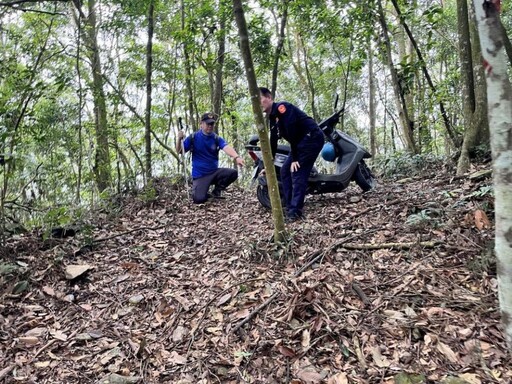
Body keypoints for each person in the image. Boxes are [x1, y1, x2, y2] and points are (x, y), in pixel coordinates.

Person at [259, 87, 324, 221]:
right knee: (284, 171)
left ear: (269, 98)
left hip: (311, 138)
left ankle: (295, 211)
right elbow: (273, 141)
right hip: (300, 143)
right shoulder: (272, 118)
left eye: (259, 99)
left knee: (297, 171)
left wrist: (295, 158)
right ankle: (289, 207)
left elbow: (292, 132)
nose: (258, 103)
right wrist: (268, 165)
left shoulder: (283, 108)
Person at [177, 112, 244, 203]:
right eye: (208, 123)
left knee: (233, 173)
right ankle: (203, 191)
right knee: (199, 199)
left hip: (214, 172)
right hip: (200, 176)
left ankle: (217, 191)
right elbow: (180, 151)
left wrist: (237, 157)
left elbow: (226, 147)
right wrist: (179, 139)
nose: (210, 126)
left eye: (212, 124)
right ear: (201, 124)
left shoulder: (216, 138)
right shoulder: (193, 137)